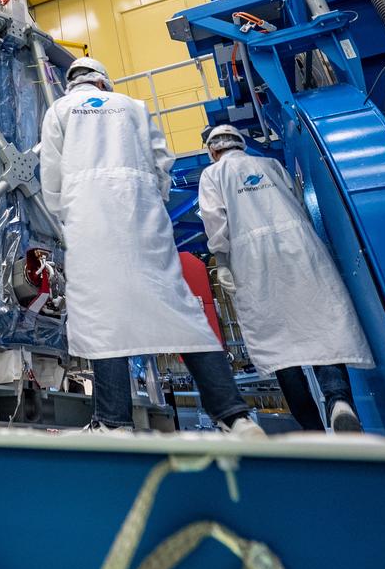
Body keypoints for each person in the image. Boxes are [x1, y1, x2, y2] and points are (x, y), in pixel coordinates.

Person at [40, 57, 264, 436]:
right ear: (103, 82)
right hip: (142, 214)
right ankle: (235, 416)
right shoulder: (133, 107)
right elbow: (163, 162)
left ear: (71, 84)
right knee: (180, 311)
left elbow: (51, 174)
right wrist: (149, 201)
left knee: (104, 318)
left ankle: (114, 423)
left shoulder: (59, 110)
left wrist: (68, 215)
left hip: (89, 218)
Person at [197, 124, 372, 432]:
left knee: (279, 345)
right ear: (241, 143)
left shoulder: (213, 175)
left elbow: (215, 219)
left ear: (213, 151)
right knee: (321, 328)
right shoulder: (271, 165)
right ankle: (339, 402)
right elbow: (299, 200)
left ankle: (312, 428)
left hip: (254, 261)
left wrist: (221, 260)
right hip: (300, 249)